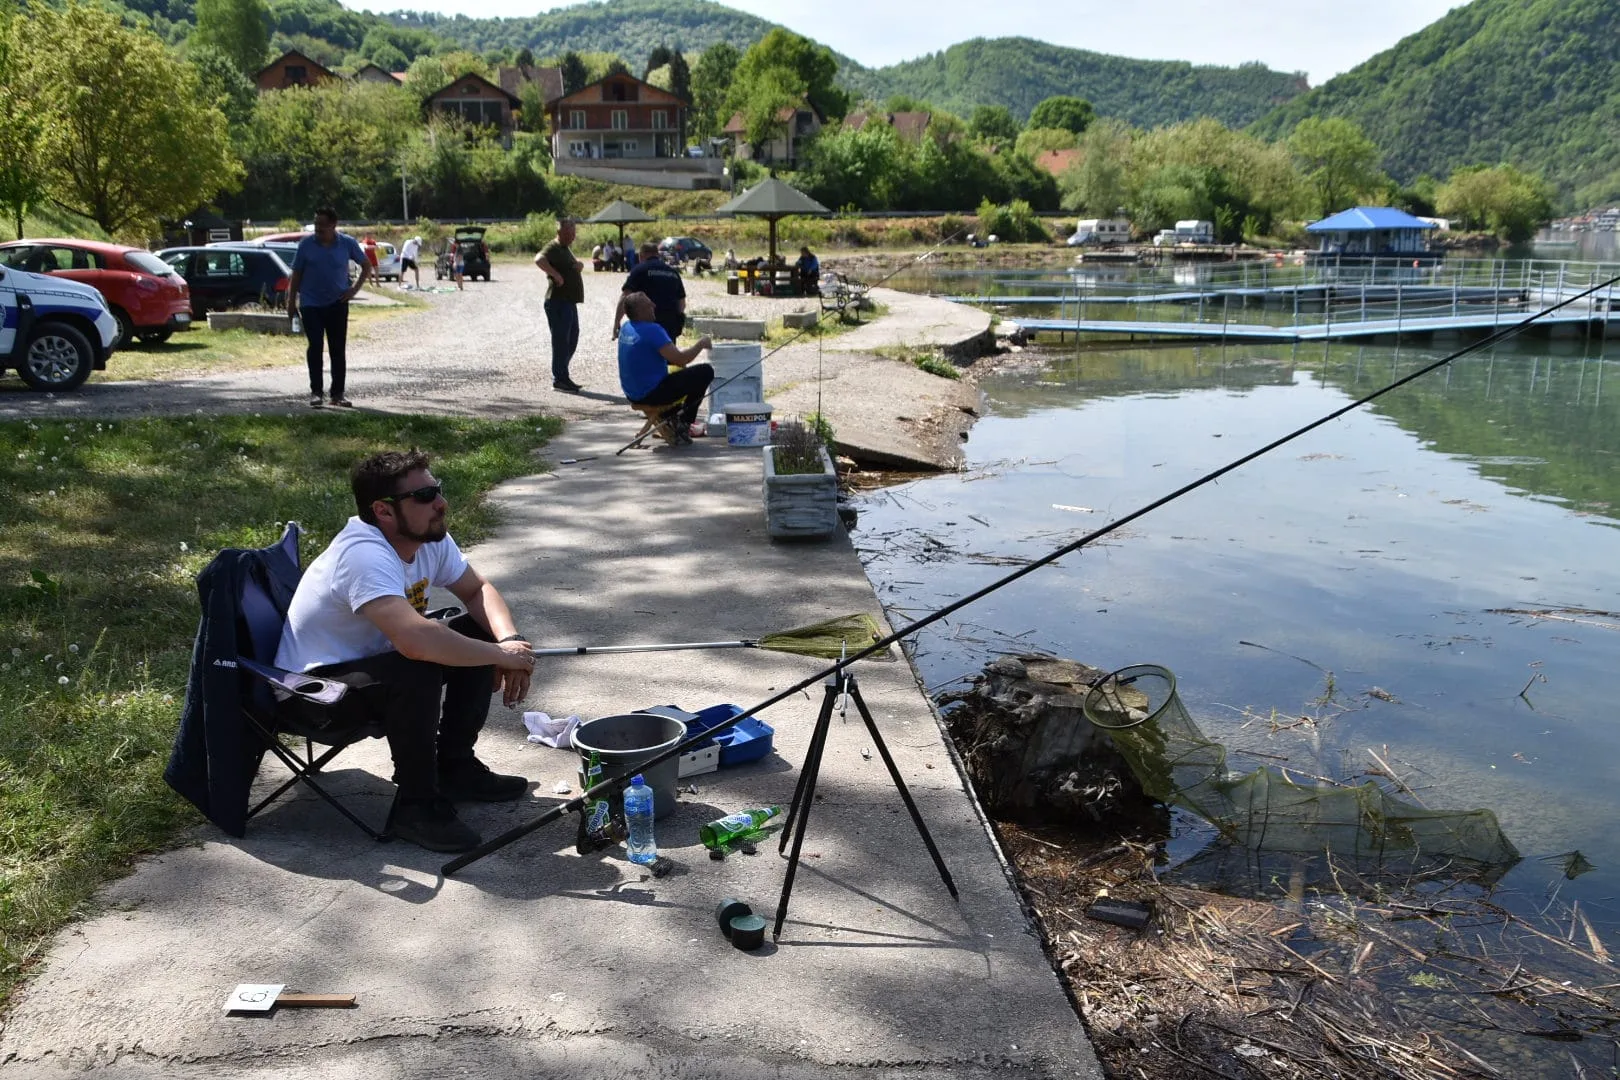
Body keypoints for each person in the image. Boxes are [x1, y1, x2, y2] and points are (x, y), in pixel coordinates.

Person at [273, 450, 536, 853]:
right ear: (383, 511)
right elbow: (415, 642)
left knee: (470, 633)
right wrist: (501, 657)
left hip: (371, 669)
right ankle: (417, 804)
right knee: (419, 662)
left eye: (438, 490)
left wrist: (506, 642)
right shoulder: (362, 554)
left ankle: (455, 767)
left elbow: (477, 590)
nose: (441, 503)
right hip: (312, 693)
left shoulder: (427, 536)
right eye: (426, 495)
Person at [288, 207, 371, 409]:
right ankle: (316, 392)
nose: (318, 228)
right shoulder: (306, 245)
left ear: (333, 225)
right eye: (316, 224)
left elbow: (366, 265)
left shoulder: (347, 243)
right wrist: (291, 302)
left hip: (337, 303)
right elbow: (296, 274)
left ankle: (338, 394)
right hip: (310, 304)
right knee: (315, 346)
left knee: (337, 349)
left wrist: (353, 290)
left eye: (322, 225)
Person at [617, 291, 714, 445]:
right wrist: (701, 343)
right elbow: (681, 359)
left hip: (632, 392)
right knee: (705, 371)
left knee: (677, 372)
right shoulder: (653, 330)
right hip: (651, 393)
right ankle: (684, 422)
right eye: (649, 305)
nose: (654, 306)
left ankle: (672, 417)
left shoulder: (626, 327)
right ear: (640, 312)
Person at [534, 217, 584, 393]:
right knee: (561, 340)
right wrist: (555, 275)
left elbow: (569, 265)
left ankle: (562, 372)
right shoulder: (553, 246)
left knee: (573, 338)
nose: (572, 236)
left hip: (568, 301)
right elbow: (539, 259)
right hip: (557, 301)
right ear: (559, 233)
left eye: (573, 233)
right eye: (569, 233)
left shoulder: (565, 248)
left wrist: (578, 265)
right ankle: (560, 378)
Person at [612, 242, 686, 344]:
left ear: (641, 255)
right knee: (668, 357)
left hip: (646, 327)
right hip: (669, 327)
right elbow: (681, 303)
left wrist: (617, 322)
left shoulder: (639, 270)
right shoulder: (673, 273)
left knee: (647, 357)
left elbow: (625, 297)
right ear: (658, 255)